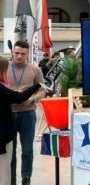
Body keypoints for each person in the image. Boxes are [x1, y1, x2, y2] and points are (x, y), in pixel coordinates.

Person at [7, 40, 45, 185]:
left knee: (27, 149)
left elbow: (43, 89)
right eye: (17, 53)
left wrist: (33, 99)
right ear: (12, 52)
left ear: (28, 54)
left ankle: (26, 178)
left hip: (27, 114)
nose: (19, 56)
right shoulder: (4, 68)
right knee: (10, 150)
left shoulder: (35, 69)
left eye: (23, 54)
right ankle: (11, 179)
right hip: (8, 113)